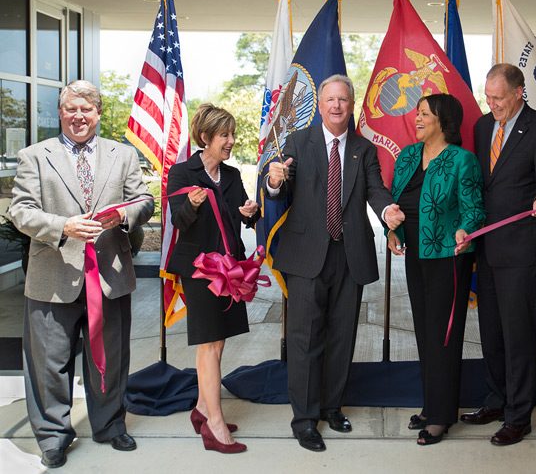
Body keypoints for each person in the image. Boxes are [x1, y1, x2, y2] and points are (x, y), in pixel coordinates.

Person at [9, 80, 154, 469]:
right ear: (60, 112)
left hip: (108, 276)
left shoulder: (123, 155)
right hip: (53, 277)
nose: (78, 116)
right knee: (49, 365)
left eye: (86, 110)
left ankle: (109, 426)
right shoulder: (35, 156)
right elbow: (20, 210)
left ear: (98, 113)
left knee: (109, 360)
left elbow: (144, 200)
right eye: (71, 109)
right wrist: (62, 226)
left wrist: (125, 214)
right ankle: (53, 437)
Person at [265, 75, 404, 452]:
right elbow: (278, 185)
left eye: (343, 99)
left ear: (351, 104)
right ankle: (305, 419)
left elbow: (374, 188)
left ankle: (331, 406)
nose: (336, 106)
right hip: (306, 256)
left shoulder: (364, 148)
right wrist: (275, 182)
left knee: (342, 337)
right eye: (330, 99)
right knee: (305, 339)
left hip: (349, 254)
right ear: (321, 104)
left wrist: (387, 208)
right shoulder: (298, 142)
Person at [460, 63, 536, 446]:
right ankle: (497, 399)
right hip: (486, 248)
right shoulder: (483, 126)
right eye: (487, 97)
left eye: (498, 98)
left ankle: (519, 415)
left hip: (522, 250)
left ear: (519, 92)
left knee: (519, 334)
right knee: (491, 331)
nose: (492, 105)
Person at [385, 94, 485, 446]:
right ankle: (431, 406)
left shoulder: (463, 160)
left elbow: (474, 209)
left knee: (444, 334)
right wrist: (391, 230)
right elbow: (394, 202)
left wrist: (465, 229)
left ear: (444, 120)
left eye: (425, 113)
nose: (417, 118)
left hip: (449, 256)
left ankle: (442, 416)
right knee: (426, 332)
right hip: (416, 254)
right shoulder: (408, 155)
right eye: (418, 113)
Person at [165, 104, 259, 454]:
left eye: (232, 135)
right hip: (199, 270)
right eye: (225, 135)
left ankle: (203, 409)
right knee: (208, 344)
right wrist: (191, 204)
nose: (231, 141)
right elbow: (179, 222)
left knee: (218, 344)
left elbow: (241, 215)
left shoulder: (232, 175)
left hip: (230, 269)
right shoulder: (182, 173)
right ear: (205, 138)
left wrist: (251, 213)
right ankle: (215, 426)